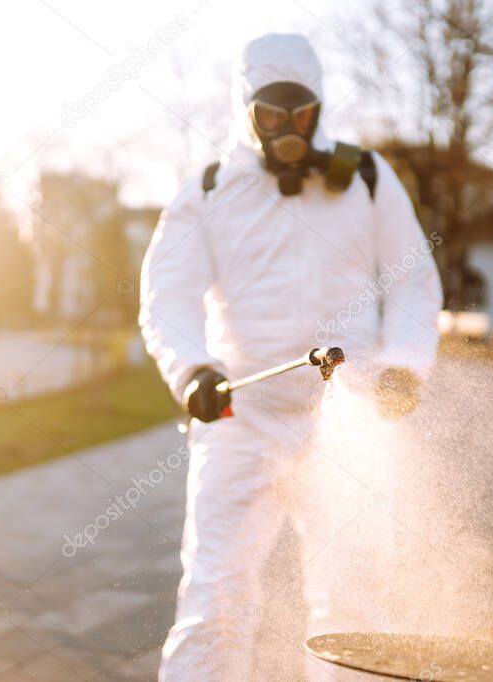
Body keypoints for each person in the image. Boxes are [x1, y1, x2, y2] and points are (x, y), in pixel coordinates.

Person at [139, 32, 442, 680]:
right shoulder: (211, 189)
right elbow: (166, 294)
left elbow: (412, 277)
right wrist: (192, 369)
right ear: (246, 111)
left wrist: (405, 365)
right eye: (270, 114)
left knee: (356, 602)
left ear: (319, 107)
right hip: (239, 420)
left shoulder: (364, 176)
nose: (287, 128)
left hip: (346, 422)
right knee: (214, 596)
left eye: (299, 112)